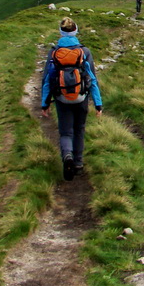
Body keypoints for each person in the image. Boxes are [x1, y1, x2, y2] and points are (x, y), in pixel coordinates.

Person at [40, 17, 102, 180]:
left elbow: (46, 79)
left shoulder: (54, 52)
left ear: (60, 33)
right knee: (79, 129)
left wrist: (45, 102)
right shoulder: (84, 51)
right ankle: (79, 164)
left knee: (66, 132)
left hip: (61, 98)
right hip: (81, 97)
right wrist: (98, 103)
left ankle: (67, 156)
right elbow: (92, 79)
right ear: (76, 31)